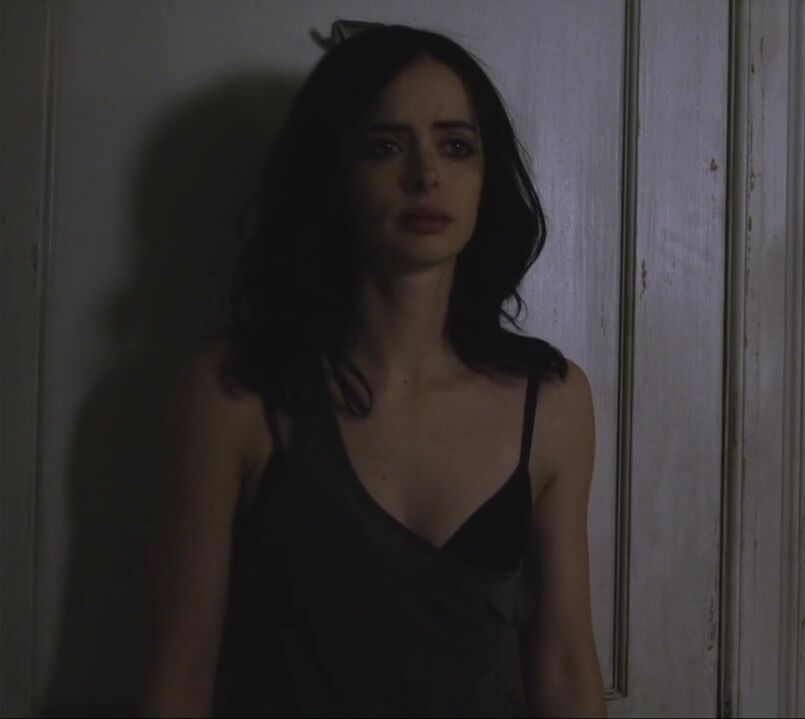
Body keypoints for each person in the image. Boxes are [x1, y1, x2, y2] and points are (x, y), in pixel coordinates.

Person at [141, 23, 606, 718]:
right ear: (334, 173)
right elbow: (180, 683)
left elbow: (565, 667)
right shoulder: (236, 395)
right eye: (385, 146)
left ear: (487, 178)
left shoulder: (551, 402)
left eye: (456, 146)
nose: (426, 176)